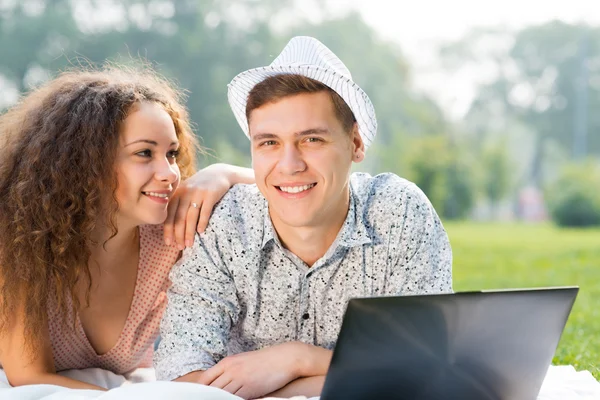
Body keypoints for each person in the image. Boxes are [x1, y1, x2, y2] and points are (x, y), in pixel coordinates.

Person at [155, 36, 453, 399]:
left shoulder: (399, 213)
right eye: (269, 143)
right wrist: (357, 373)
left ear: (356, 144)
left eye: (312, 140)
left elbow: (425, 364)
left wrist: (298, 360)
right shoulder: (225, 225)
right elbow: (181, 378)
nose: (290, 165)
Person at [0, 64, 253, 390]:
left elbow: (285, 186)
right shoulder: (20, 241)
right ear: (86, 162)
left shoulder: (170, 234)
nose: (169, 173)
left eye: (172, 154)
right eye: (144, 153)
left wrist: (224, 173)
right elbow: (31, 377)